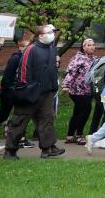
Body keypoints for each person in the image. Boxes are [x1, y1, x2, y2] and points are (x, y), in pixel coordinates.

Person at [4, 24, 64, 160]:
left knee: (47, 120)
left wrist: (53, 85)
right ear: (40, 36)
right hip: (30, 92)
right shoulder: (31, 49)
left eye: (53, 32)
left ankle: (48, 148)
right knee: (20, 121)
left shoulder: (52, 49)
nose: (53, 35)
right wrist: (27, 88)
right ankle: (10, 150)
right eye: (49, 32)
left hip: (46, 92)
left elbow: (53, 69)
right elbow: (23, 71)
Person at [0, 34, 34, 149]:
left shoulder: (25, 57)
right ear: (20, 43)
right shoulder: (16, 57)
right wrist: (8, 90)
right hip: (10, 92)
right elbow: (6, 77)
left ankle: (21, 139)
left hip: (19, 91)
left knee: (20, 115)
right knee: (3, 115)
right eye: (27, 42)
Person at [61, 37, 97, 145]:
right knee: (86, 110)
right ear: (83, 47)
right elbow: (71, 72)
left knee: (77, 111)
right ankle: (79, 135)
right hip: (77, 90)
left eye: (93, 44)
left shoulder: (94, 59)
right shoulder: (78, 58)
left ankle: (70, 135)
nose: (92, 47)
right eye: (88, 45)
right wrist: (65, 85)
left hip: (88, 90)